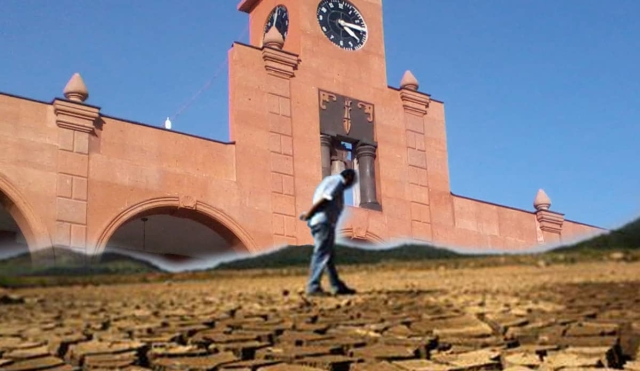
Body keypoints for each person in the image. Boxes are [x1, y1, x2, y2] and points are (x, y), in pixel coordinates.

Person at [298, 168, 358, 296]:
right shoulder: (337, 182)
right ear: (349, 178)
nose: (352, 185)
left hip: (321, 222)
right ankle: (313, 286)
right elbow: (325, 199)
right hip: (323, 222)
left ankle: (336, 285)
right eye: (352, 182)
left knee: (328, 255)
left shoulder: (330, 181)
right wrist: (309, 213)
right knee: (321, 254)